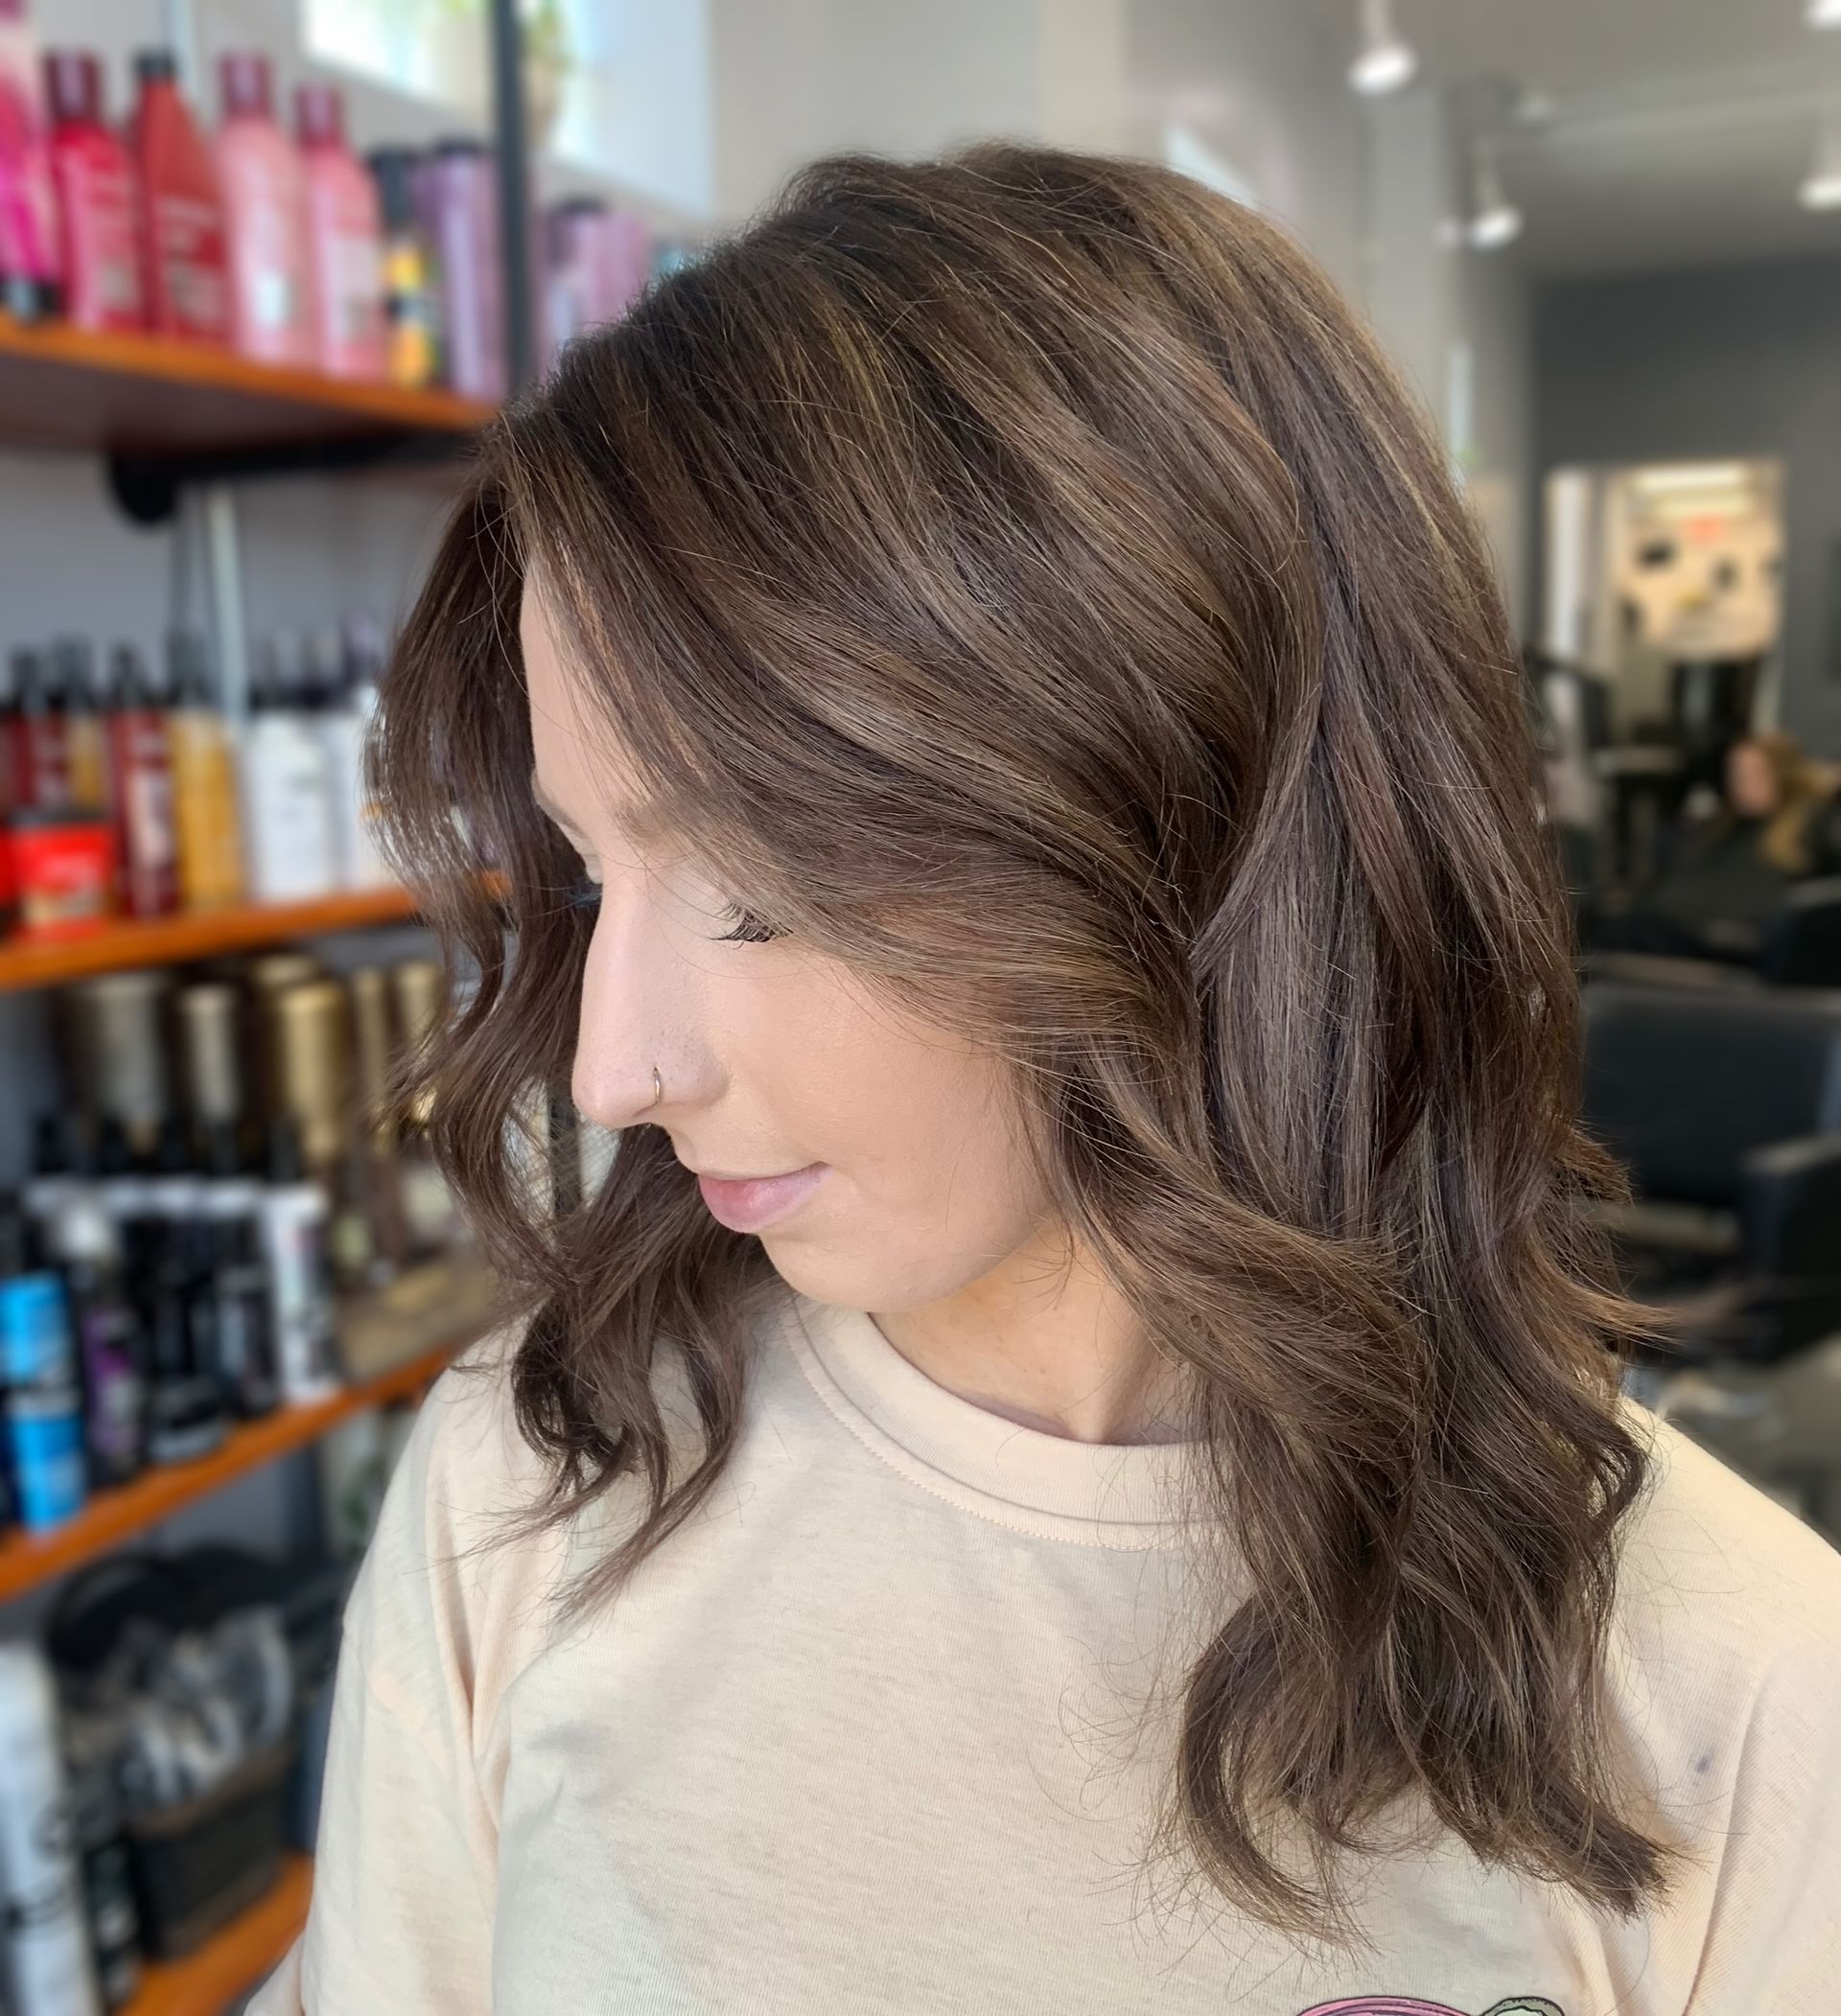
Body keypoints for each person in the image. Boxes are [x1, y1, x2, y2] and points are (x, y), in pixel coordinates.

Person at [251, 147, 1841, 2015]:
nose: (613, 1065)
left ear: (1193, 803)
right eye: (596, 872)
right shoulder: (533, 1485)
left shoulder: (1739, 1685)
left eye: (759, 885)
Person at [1596, 729, 1841, 961]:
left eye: (1755, 773)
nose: (1741, 783)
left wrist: (1824, 782)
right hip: (1670, 920)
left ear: (1783, 773)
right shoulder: (1724, 826)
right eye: (1736, 773)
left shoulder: (1807, 827)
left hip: (1717, 937)